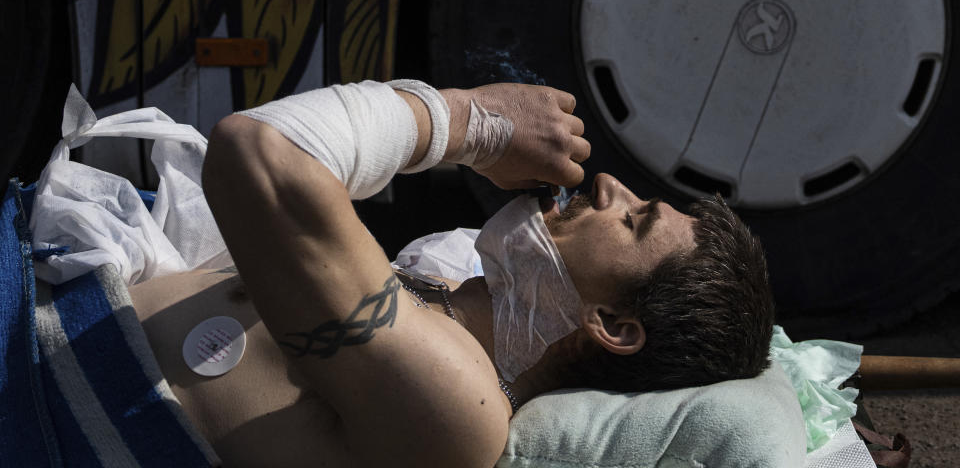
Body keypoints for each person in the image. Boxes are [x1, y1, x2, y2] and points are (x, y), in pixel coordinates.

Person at [129, 79, 774, 467]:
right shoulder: (439, 288)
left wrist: (472, 121)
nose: (609, 185)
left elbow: (261, 155)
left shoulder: (461, 409)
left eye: (634, 222)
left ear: (610, 323)